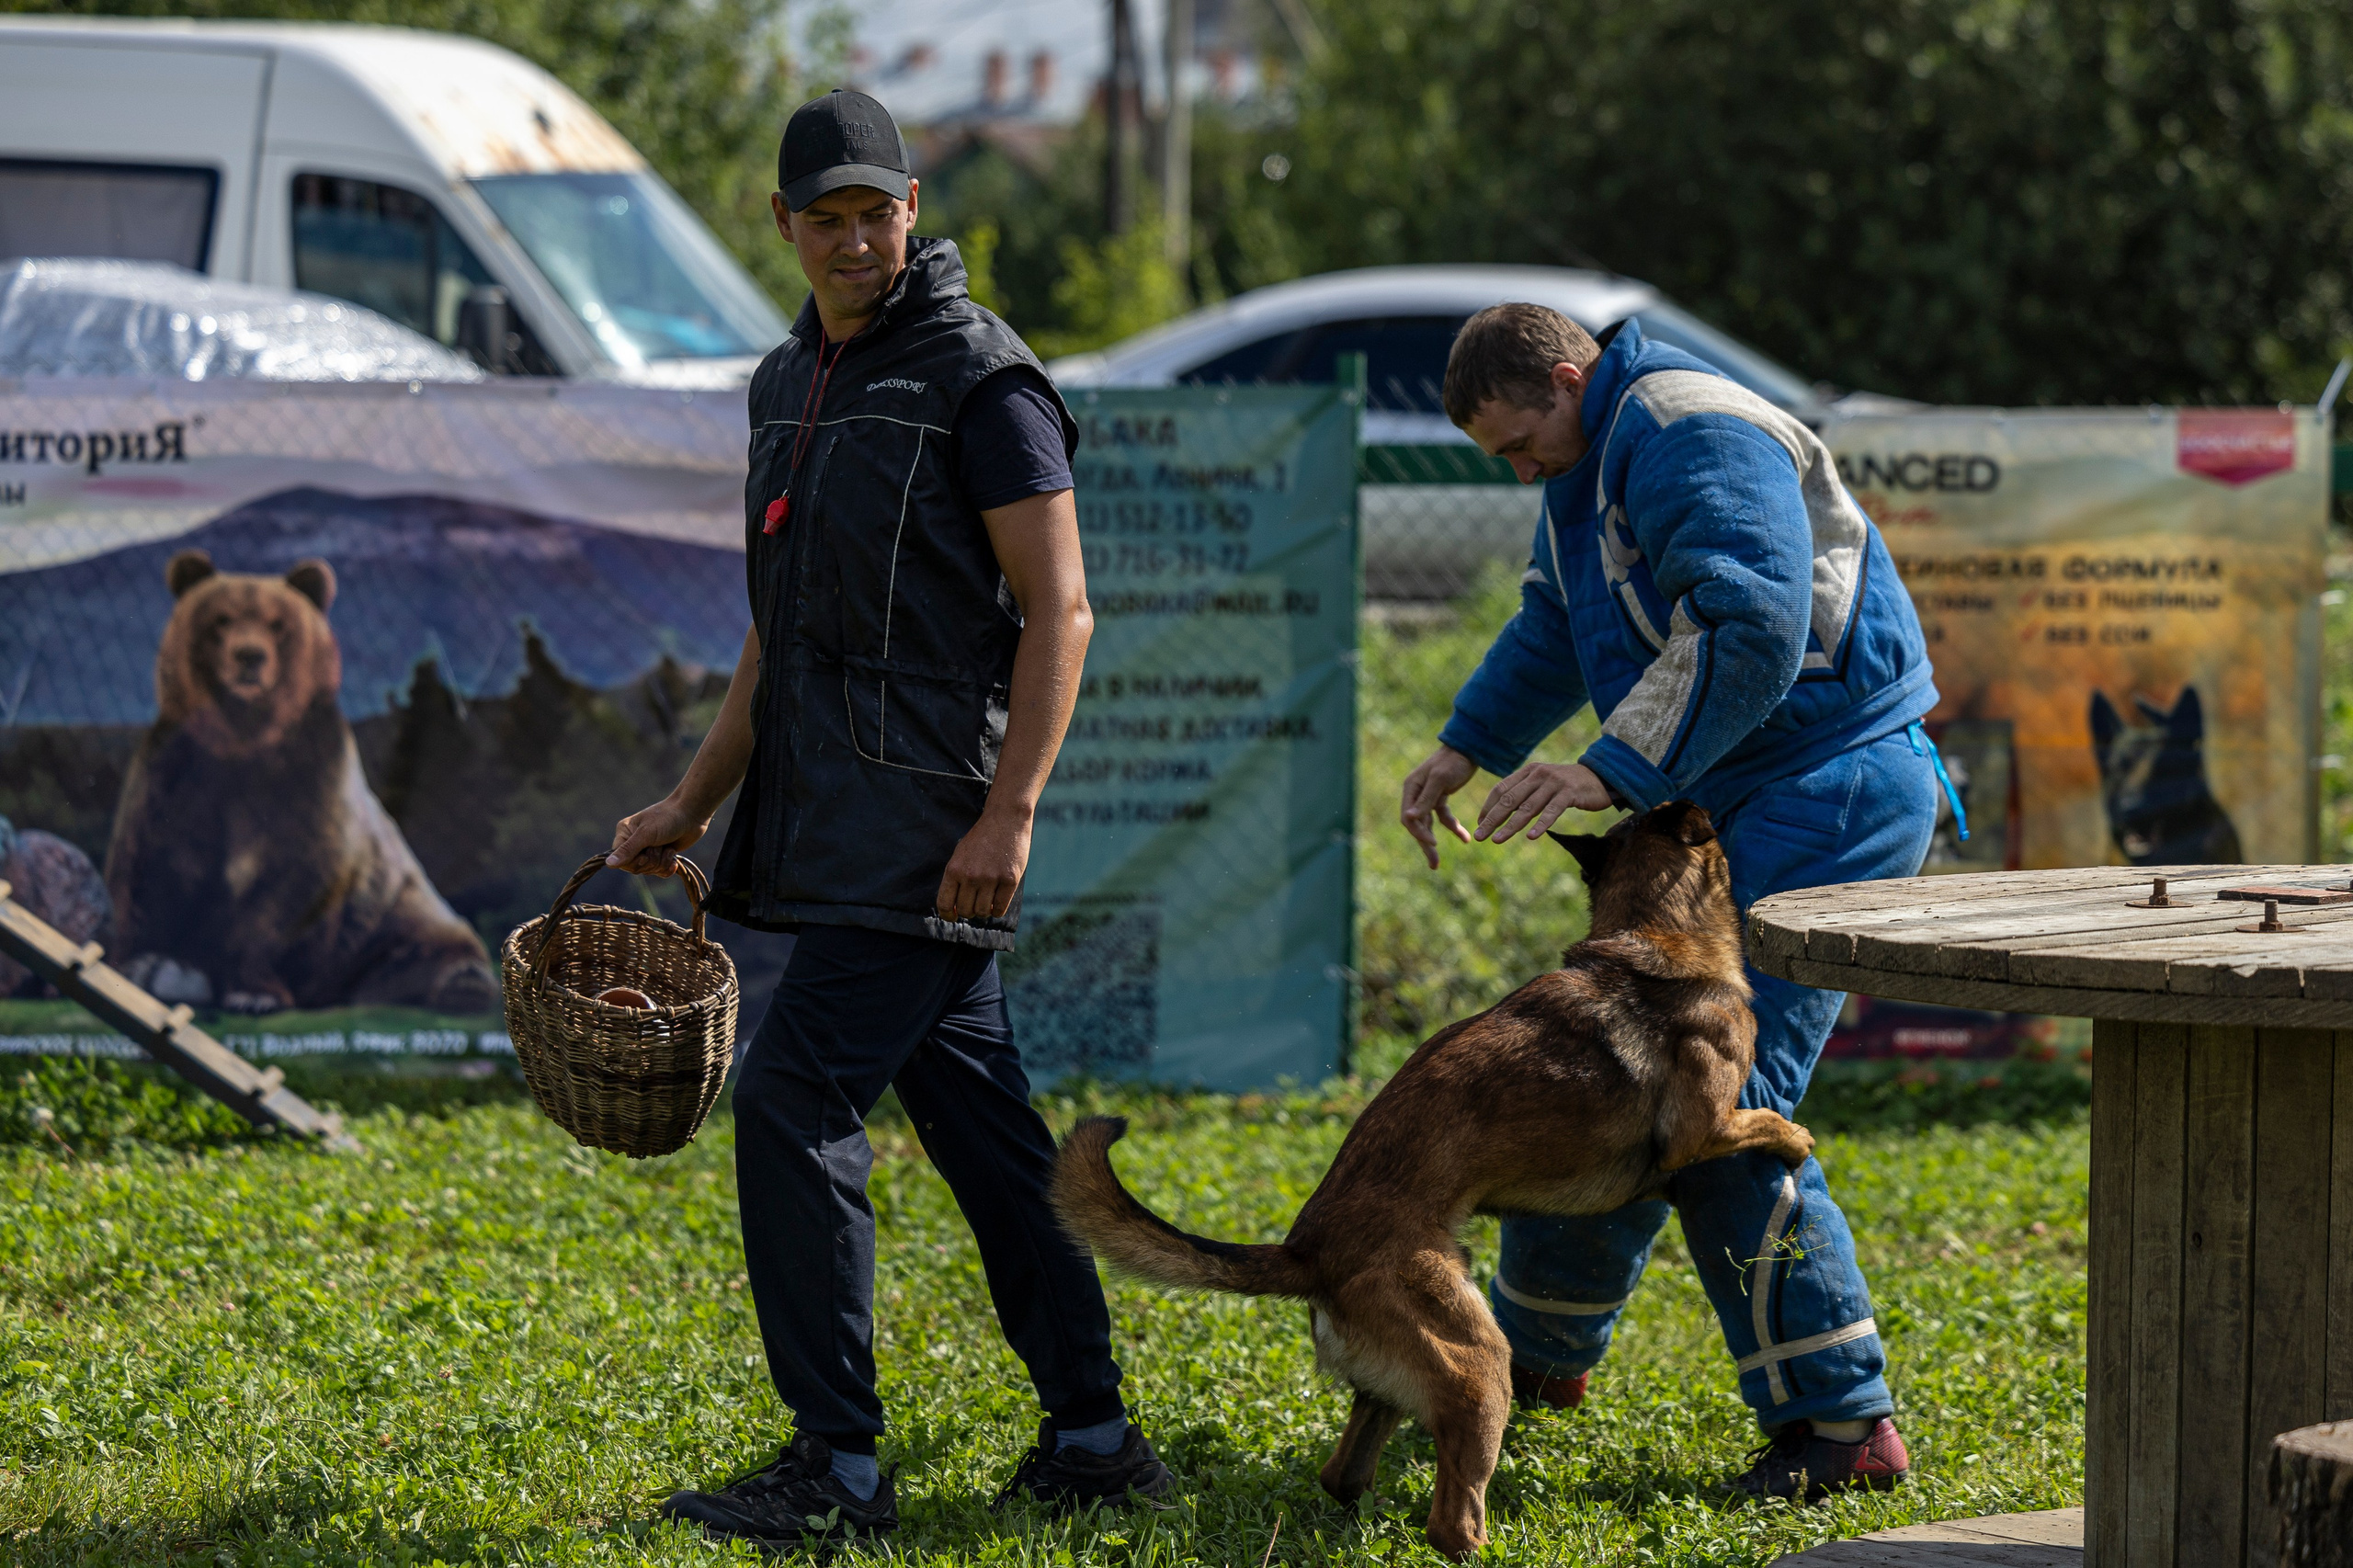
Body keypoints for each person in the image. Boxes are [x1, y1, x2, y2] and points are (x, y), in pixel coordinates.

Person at [608, 88, 1175, 1551]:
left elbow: (1062, 608)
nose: (857, 238)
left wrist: (1011, 816)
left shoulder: (982, 381)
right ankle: (1095, 1435)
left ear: (914, 210)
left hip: (927, 826)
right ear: (784, 224)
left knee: (793, 1103)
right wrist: (689, 799)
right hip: (826, 822)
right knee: (989, 1144)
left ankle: (841, 1467)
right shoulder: (786, 380)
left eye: (880, 211)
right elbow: (771, 634)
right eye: (828, 216)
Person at [1399, 302, 1956, 1503]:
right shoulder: (1592, 447)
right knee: (1602, 1062)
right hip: (1734, 780)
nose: (1518, 470)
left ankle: (1842, 1425)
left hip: (1830, 781)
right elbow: (1559, 623)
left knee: (1714, 1104)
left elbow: (1751, 620)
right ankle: (1535, 1356)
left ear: (1563, 378)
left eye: (1517, 444)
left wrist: (1609, 770)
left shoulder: (1683, 425)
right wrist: (1467, 747)